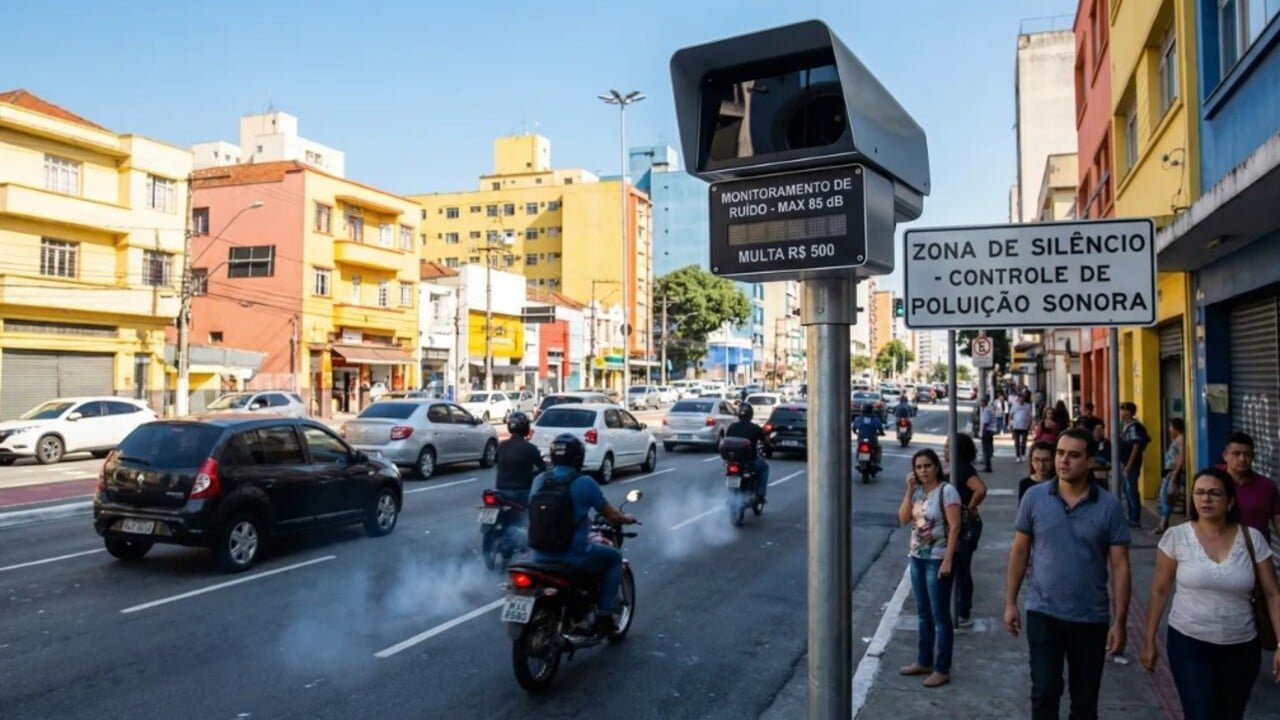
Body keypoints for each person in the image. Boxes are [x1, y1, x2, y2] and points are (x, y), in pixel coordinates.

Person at [1005, 428, 1132, 720]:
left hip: (1090, 617)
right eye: (1060, 453)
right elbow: (1020, 551)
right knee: (1045, 692)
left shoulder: (1109, 506)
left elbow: (1121, 566)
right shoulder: (1034, 498)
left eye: (1073, 455)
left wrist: (1120, 621)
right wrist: (1011, 602)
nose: (1063, 461)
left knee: (1085, 701)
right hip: (1043, 613)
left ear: (1090, 461)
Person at [1141, 467, 1280, 720]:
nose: (1206, 499)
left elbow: (1273, 593)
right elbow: (1159, 590)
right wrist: (1148, 640)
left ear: (1230, 501)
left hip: (1242, 647)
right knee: (1200, 713)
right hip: (1189, 643)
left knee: (1230, 714)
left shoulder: (1253, 538)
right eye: (1200, 493)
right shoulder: (1177, 537)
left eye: (1214, 493)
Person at [527, 433, 638, 635]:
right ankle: (605, 616)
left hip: (538, 556)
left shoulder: (540, 480)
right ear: (579, 457)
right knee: (614, 558)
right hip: (572, 556)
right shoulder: (584, 482)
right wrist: (626, 518)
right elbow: (611, 515)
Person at [898, 448, 962, 688]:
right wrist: (908, 491)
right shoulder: (917, 494)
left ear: (937, 466)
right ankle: (924, 660)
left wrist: (947, 559)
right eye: (918, 467)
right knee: (923, 614)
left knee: (940, 616)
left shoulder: (947, 492)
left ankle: (942, 668)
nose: (923, 471)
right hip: (917, 558)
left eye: (927, 466)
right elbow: (903, 519)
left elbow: (955, 527)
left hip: (937, 559)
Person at [944, 433, 988, 628]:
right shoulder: (956, 469)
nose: (944, 450)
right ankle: (959, 609)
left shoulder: (962, 469)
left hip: (966, 526)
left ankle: (963, 612)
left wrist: (968, 509)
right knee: (959, 568)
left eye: (947, 447)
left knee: (961, 568)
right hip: (960, 524)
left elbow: (980, 489)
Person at [1219, 432, 1280, 542]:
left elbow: (1278, 522)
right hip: (1219, 553)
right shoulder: (1211, 481)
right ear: (1225, 456)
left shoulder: (1267, 486)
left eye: (1247, 454)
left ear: (1253, 457)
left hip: (1257, 555)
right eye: (1236, 453)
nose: (1242, 459)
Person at [494, 411, 545, 507]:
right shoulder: (530, 448)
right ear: (526, 427)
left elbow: (496, 462)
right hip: (521, 491)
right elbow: (542, 469)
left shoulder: (501, 446)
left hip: (500, 489)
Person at [724, 403, 770, 504]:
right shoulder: (755, 428)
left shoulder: (732, 427)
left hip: (733, 460)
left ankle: (731, 497)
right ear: (751, 415)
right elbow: (766, 441)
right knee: (764, 468)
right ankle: (760, 495)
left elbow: (726, 439)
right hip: (749, 461)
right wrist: (768, 448)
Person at [1119, 401, 1152, 529]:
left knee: (1131, 491)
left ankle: (1134, 519)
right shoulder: (1125, 426)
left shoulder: (1134, 427)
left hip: (1130, 464)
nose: (1120, 412)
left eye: (1122, 410)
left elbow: (1136, 446)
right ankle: (1130, 517)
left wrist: (1128, 465)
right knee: (1126, 491)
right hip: (1125, 463)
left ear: (1128, 412)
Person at [1155, 418, 1187, 535]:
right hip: (1171, 472)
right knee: (1164, 497)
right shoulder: (1177, 439)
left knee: (1166, 498)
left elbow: (1181, 458)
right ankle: (1163, 523)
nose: (1169, 430)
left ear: (1175, 427)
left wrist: (1174, 475)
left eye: (1170, 427)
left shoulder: (1180, 439)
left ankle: (1163, 524)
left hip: (1173, 473)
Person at [854, 404, 885, 469]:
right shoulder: (876, 420)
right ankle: (877, 461)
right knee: (878, 447)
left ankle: (859, 460)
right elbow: (881, 429)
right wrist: (881, 433)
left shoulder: (858, 419)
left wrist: (857, 432)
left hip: (861, 439)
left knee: (858, 447)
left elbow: (854, 428)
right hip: (872, 440)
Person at [1011, 391, 1034, 464]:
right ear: (1018, 399)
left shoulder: (1027, 406)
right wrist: (1010, 423)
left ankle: (1023, 454)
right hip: (1016, 426)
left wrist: (1030, 425)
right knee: (1017, 442)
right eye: (1020, 398)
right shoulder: (1014, 405)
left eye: (1022, 398)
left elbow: (1030, 416)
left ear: (1024, 399)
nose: (1021, 400)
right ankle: (1018, 456)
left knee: (1024, 442)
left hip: (1025, 426)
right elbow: (1011, 415)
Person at [1090, 421, 1112, 492]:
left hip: (1103, 475)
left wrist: (1096, 461)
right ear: (1093, 431)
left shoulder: (1106, 443)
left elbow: (1108, 460)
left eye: (1101, 430)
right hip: (1091, 475)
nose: (1099, 432)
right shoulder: (1090, 443)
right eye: (1097, 430)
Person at [979, 397, 996, 472]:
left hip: (987, 432)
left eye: (981, 402)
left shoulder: (986, 411)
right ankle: (987, 466)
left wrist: (982, 432)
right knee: (988, 449)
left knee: (986, 450)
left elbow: (986, 422)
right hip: (990, 431)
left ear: (984, 402)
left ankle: (988, 467)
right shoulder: (989, 410)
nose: (980, 403)